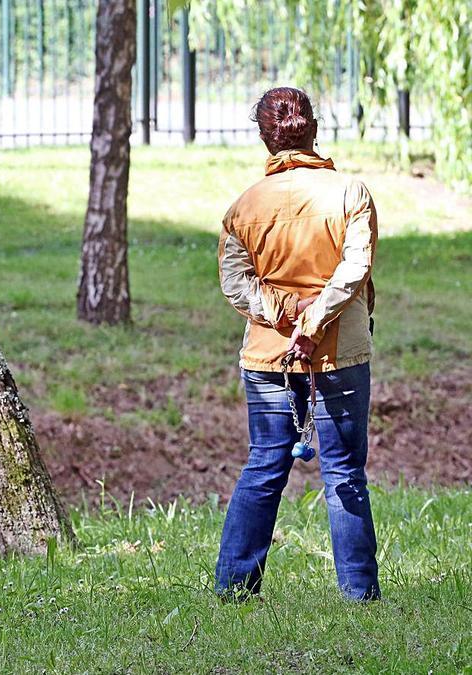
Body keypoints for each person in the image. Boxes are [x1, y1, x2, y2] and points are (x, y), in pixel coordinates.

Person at [214, 87, 380, 601]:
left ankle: (235, 587)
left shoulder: (243, 207)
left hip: (268, 355)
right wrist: (314, 317)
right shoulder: (350, 194)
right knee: (345, 473)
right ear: (313, 129)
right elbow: (355, 268)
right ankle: (359, 594)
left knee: (265, 462)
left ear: (265, 136)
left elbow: (235, 283)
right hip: (341, 352)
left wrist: (284, 315)